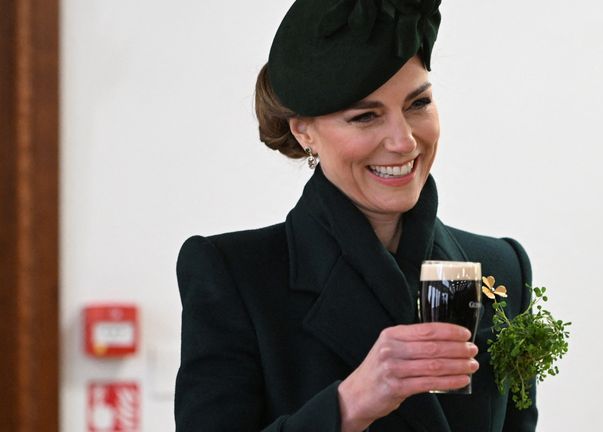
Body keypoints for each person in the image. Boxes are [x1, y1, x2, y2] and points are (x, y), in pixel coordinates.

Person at [174, 1, 538, 431]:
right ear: (303, 130)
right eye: (365, 116)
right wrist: (349, 403)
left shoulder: (501, 268)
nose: (403, 141)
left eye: (418, 103)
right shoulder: (236, 275)